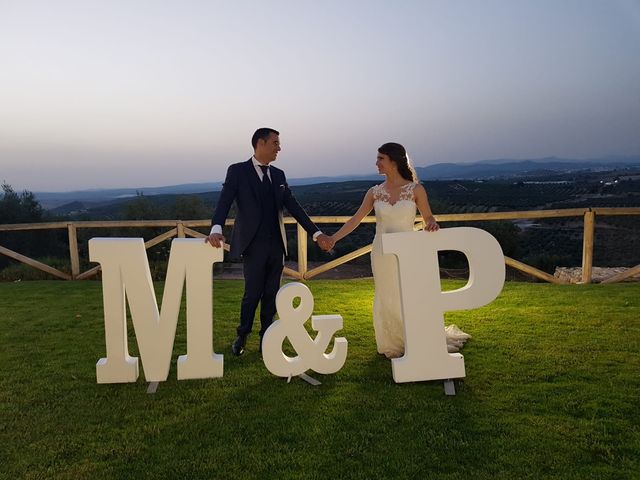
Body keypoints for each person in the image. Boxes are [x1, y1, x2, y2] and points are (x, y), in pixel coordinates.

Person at [328, 142, 470, 358]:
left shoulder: (416, 189)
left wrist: (431, 224)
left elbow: (428, 217)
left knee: (407, 294)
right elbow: (356, 220)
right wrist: (333, 238)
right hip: (382, 252)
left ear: (393, 161)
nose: (376, 163)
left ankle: (417, 336)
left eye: (380, 158)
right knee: (386, 294)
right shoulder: (374, 192)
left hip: (408, 252)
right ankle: (391, 343)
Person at [206, 128, 333, 356]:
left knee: (272, 293)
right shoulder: (237, 171)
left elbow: (294, 207)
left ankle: (267, 336)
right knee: (252, 293)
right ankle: (242, 335)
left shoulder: (279, 175)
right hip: (252, 245)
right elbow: (224, 201)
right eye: (275, 143)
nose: (279, 148)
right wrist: (216, 229)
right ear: (261, 143)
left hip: (277, 245)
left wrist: (317, 234)